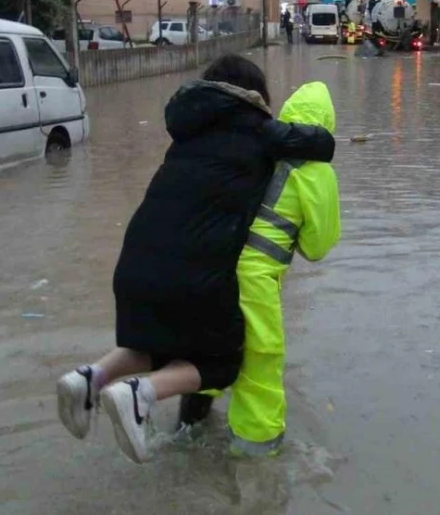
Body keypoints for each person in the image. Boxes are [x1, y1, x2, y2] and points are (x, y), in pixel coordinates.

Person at [55, 55, 335, 463]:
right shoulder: (263, 136)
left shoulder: (186, 136)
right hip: (207, 275)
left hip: (137, 262)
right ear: (254, 98)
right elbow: (320, 154)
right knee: (225, 362)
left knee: (164, 346)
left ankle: (91, 378)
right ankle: (144, 396)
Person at [177, 82, 342, 456]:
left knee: (208, 350)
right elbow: (318, 247)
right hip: (253, 280)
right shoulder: (316, 173)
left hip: (211, 264)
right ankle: (256, 459)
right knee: (260, 362)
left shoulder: (255, 147)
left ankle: (186, 434)